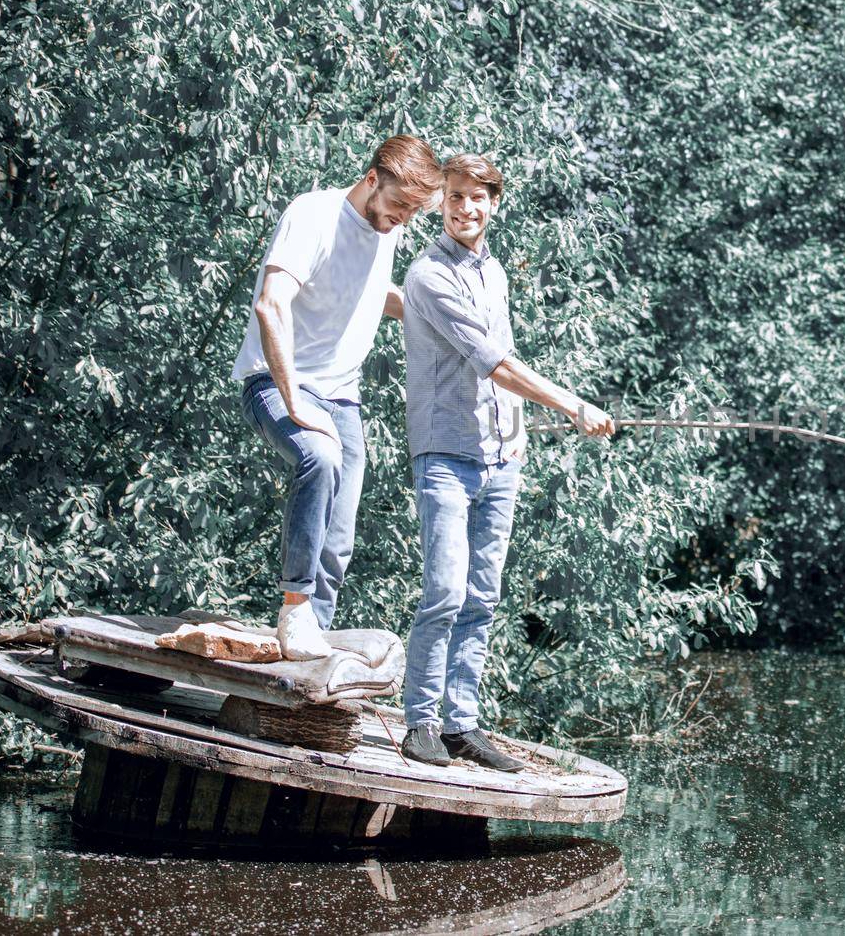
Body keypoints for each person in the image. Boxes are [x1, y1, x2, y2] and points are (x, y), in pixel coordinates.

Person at [399, 153, 614, 771]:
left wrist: (518, 431)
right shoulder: (428, 275)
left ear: (495, 202)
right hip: (445, 454)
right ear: (439, 202)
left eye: (478, 197)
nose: (466, 208)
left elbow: (506, 361)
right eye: (455, 197)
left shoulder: (494, 274)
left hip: (501, 461)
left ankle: (462, 724)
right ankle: (421, 724)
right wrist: (573, 405)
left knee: (481, 598)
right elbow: (491, 362)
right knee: (443, 592)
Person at [233, 136, 442, 660]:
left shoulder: (386, 226)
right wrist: (294, 401)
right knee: (319, 458)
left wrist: (438, 319)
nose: (401, 220)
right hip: (276, 383)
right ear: (372, 179)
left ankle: (307, 642)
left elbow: (373, 292)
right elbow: (269, 304)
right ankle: (294, 607)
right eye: (398, 206)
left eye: (413, 213)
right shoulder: (314, 216)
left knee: (340, 533)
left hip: (342, 399)